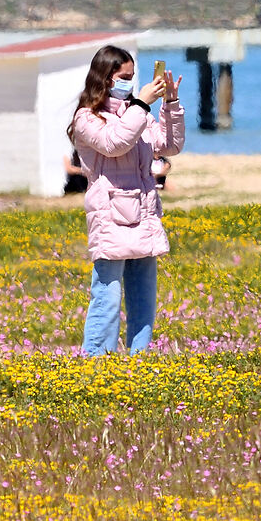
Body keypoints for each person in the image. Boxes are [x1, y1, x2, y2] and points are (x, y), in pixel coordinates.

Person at [68, 45, 184, 356]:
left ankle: (139, 359)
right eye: (124, 77)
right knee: (107, 296)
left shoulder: (138, 113)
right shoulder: (87, 118)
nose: (129, 83)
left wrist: (170, 103)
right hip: (110, 214)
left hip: (144, 214)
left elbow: (169, 145)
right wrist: (142, 104)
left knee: (144, 298)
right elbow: (114, 143)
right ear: (105, 79)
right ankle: (96, 359)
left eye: (132, 77)